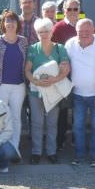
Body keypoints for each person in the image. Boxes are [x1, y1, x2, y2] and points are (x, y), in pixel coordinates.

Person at [65, 19, 95, 167]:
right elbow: (64, 64)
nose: (84, 34)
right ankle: (79, 155)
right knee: (78, 126)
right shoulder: (70, 44)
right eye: (80, 32)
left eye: (87, 31)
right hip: (78, 94)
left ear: (93, 30)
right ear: (76, 31)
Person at [24, 18, 70, 164]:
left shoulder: (60, 49)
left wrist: (54, 80)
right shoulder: (32, 49)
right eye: (40, 32)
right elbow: (27, 70)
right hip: (36, 92)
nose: (43, 34)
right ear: (37, 34)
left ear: (51, 32)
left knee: (52, 123)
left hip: (53, 91)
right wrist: (36, 81)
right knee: (36, 122)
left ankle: (51, 152)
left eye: (46, 31)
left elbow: (65, 69)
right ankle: (36, 152)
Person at [0, 10, 28, 152]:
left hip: (19, 86)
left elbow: (27, 63)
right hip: (1, 86)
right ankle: (1, 149)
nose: (10, 23)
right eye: (7, 21)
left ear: (18, 24)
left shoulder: (23, 41)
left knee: (16, 117)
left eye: (13, 20)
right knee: (1, 118)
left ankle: (14, 149)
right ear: (3, 24)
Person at [51, 0, 81, 151]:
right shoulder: (58, 28)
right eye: (69, 9)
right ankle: (60, 140)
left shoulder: (84, 27)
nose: (72, 12)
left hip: (81, 75)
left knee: (78, 109)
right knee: (62, 109)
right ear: (64, 11)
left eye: (75, 9)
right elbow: (52, 51)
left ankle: (77, 138)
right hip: (63, 75)